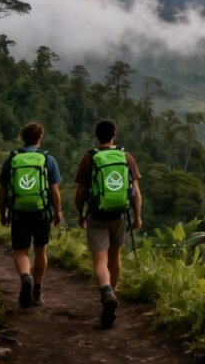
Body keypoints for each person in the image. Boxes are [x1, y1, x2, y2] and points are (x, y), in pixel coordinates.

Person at [74, 120, 142, 328]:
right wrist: (137, 216)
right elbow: (136, 192)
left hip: (97, 215)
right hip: (119, 216)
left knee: (100, 260)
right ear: (114, 134)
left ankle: (106, 291)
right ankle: (111, 294)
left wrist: (80, 213)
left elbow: (80, 192)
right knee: (115, 257)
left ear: (97, 136)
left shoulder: (89, 158)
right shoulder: (126, 157)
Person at [0, 122, 63, 309]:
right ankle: (36, 289)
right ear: (39, 139)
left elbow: (2, 190)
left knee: (20, 251)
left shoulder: (12, 159)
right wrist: (57, 212)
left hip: (19, 213)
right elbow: (54, 190)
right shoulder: (47, 159)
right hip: (41, 212)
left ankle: (26, 276)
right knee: (41, 250)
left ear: (22, 138)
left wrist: (3, 213)